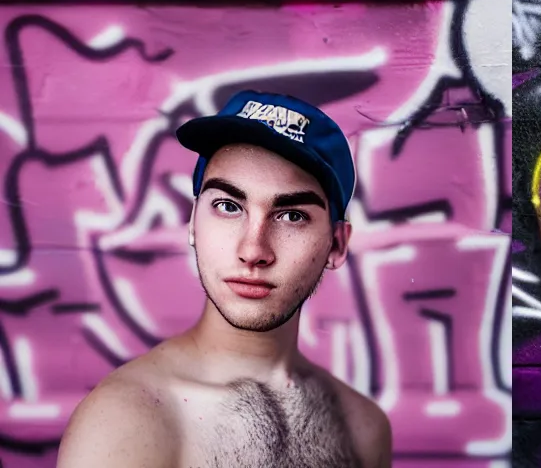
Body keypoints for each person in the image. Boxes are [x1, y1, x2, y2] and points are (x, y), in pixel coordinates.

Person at [57, 90, 391, 468]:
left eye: (292, 216)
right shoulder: (126, 423)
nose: (253, 250)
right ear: (193, 222)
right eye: (228, 207)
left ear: (336, 244)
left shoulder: (364, 427)